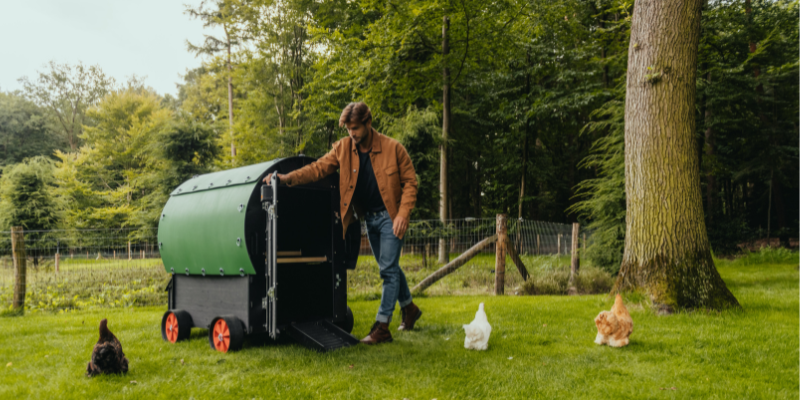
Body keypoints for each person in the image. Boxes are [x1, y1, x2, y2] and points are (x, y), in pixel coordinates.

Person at [263, 102, 422, 345]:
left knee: (388, 271)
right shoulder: (343, 148)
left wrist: (403, 213)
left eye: (355, 128)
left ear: (368, 123)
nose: (352, 133)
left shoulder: (394, 148)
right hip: (370, 218)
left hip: (392, 218)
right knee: (390, 267)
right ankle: (409, 308)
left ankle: (382, 327)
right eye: (348, 129)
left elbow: (411, 182)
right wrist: (287, 179)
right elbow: (317, 169)